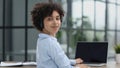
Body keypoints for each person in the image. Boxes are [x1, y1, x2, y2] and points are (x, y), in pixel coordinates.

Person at [31, 2, 88, 68]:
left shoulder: (42, 40)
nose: (55, 22)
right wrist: (79, 67)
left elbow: (56, 59)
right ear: (40, 22)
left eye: (57, 18)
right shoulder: (50, 43)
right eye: (49, 19)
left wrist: (73, 62)